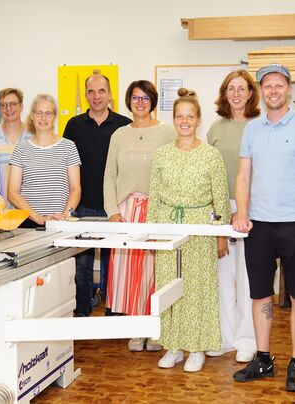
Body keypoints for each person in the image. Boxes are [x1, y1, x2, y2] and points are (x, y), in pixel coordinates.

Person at [232, 63, 295, 392]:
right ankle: (264, 359)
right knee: (261, 295)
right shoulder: (252, 130)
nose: (273, 91)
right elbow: (243, 176)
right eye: (267, 86)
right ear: (261, 91)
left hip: (293, 226)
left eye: (279, 85)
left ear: (288, 90)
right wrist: (242, 212)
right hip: (258, 225)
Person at [148, 88, 230, 373]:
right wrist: (150, 233)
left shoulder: (211, 155)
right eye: (180, 116)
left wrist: (220, 234)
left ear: (198, 120)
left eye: (190, 117)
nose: (185, 121)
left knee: (198, 289)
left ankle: (196, 347)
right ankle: (172, 345)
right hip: (167, 225)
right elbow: (154, 194)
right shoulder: (162, 154)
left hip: (200, 228)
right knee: (168, 286)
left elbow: (220, 198)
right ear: (173, 120)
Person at [103, 80, 176, 352]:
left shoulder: (167, 132)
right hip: (126, 212)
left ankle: (156, 328)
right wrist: (112, 211)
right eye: (135, 98)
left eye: (145, 98)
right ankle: (136, 329)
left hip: (157, 210)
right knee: (130, 275)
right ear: (128, 101)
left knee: (156, 273)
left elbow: (174, 172)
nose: (140, 102)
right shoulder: (119, 135)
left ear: (153, 101)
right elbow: (109, 175)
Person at [63, 73, 132, 317]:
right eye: (91, 92)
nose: (96, 96)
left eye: (101, 91)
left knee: (112, 265)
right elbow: (65, 164)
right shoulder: (74, 125)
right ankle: (81, 312)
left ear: (110, 94)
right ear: (85, 95)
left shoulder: (124, 124)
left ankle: (113, 312)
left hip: (113, 206)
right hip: (82, 206)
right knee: (81, 265)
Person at [205, 69, 260, 363]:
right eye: (231, 89)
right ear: (224, 93)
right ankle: (224, 337)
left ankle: (246, 340)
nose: (236, 94)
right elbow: (207, 172)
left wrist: (244, 207)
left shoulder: (260, 125)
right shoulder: (216, 128)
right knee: (222, 277)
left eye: (242, 89)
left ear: (251, 93)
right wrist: (217, 211)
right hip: (219, 209)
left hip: (250, 207)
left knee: (249, 277)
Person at [8, 94, 80, 228]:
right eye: (38, 113)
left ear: (54, 117)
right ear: (32, 116)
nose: (43, 118)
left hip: (61, 223)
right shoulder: (21, 148)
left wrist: (63, 217)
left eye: (48, 113)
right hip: (29, 224)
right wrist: (39, 219)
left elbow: (75, 189)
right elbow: (12, 193)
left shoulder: (69, 147)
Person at [0, 88, 32, 206]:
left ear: (21, 106)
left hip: (29, 209)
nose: (8, 109)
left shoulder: (33, 135)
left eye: (13, 104)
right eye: (3, 105)